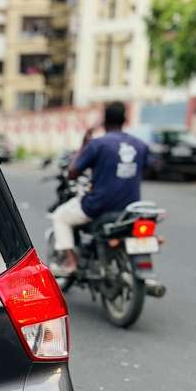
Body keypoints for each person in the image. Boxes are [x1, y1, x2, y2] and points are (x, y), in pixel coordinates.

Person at [51, 102, 147, 275]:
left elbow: (73, 172)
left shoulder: (98, 144)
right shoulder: (140, 145)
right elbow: (150, 166)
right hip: (129, 208)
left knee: (60, 217)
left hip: (99, 206)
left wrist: (84, 144)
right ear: (125, 119)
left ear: (104, 121)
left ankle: (71, 262)